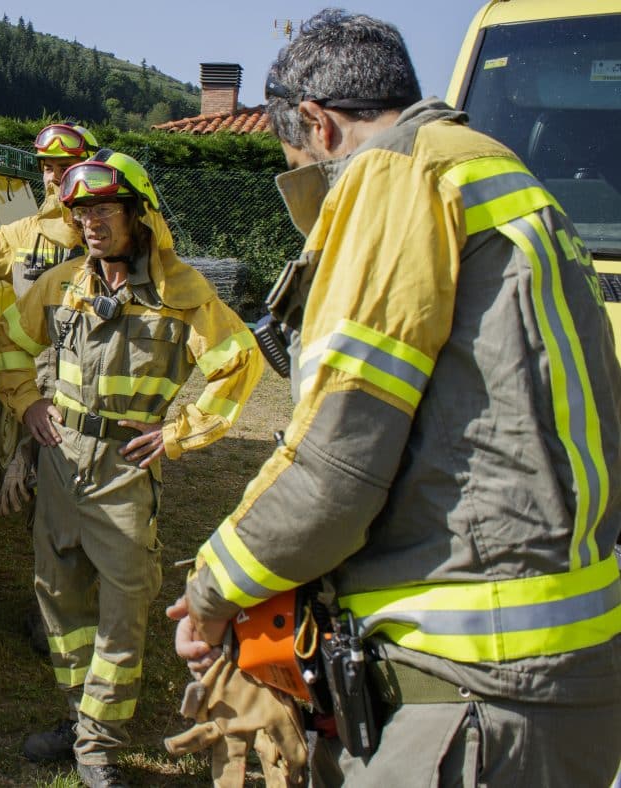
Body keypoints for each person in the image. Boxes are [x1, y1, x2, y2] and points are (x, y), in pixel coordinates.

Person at [168, 9, 621, 787]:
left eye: (301, 164)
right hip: (561, 685)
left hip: (469, 699)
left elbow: (336, 469)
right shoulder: (507, 178)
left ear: (318, 123)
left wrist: (211, 587)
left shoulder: (397, 176)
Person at [0, 149, 263, 788]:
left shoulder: (182, 294)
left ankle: (97, 745)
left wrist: (178, 433)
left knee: (123, 609)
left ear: (140, 216)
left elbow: (239, 362)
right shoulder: (63, 284)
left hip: (124, 473)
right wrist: (29, 406)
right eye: (82, 213)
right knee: (58, 598)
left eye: (106, 210)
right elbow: (8, 344)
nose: (91, 223)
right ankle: (77, 716)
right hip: (61, 462)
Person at [0, 122, 100, 653]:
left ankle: (92, 613)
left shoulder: (118, 229)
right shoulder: (24, 237)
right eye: (47, 168)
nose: (55, 177)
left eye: (67, 167)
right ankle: (53, 615)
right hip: (39, 398)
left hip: (102, 399)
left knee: (100, 511)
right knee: (46, 511)